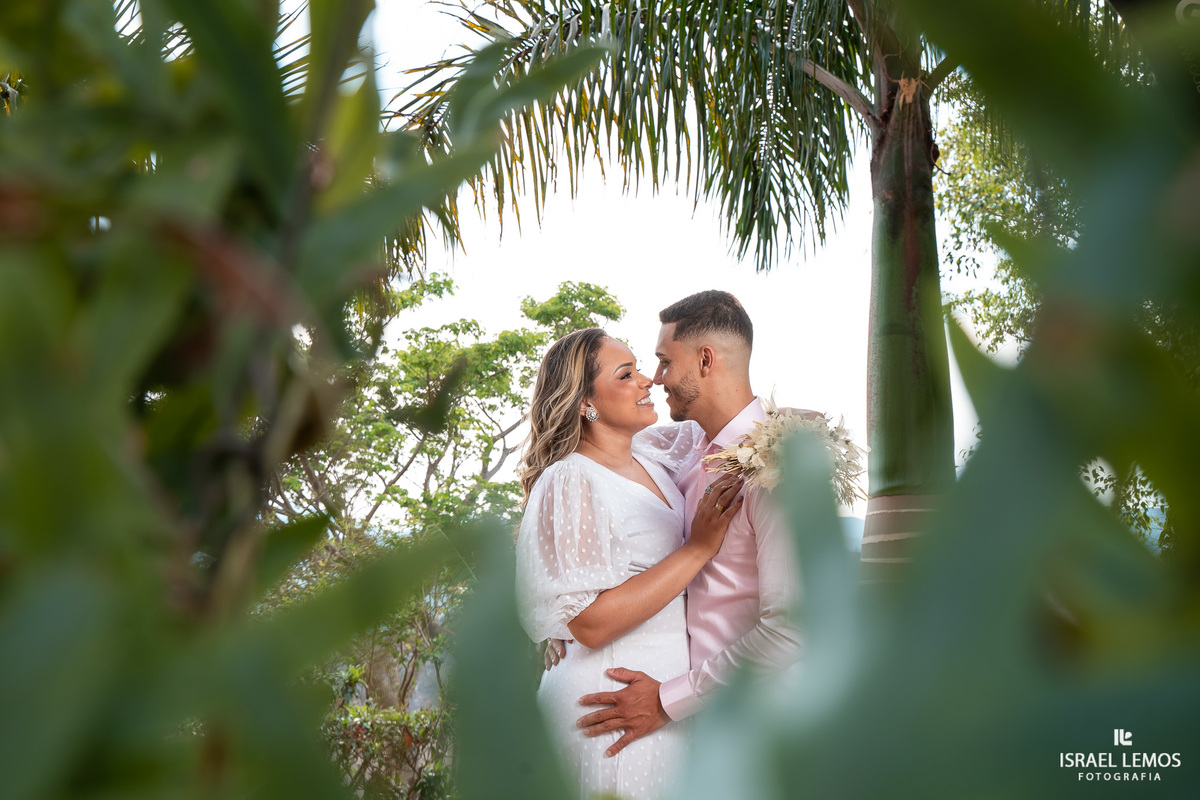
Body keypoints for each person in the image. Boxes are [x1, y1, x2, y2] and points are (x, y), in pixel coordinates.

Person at [549, 290, 804, 758]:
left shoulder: (779, 465)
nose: (655, 378)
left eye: (665, 361)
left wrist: (668, 701)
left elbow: (790, 629)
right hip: (686, 740)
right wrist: (561, 616)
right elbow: (590, 467)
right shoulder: (681, 454)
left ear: (705, 360)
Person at [514, 326, 745, 800]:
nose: (647, 381)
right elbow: (590, 624)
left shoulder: (654, 456)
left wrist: (804, 430)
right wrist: (697, 549)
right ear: (586, 403)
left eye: (641, 368)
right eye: (626, 374)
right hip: (609, 705)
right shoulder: (571, 477)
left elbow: (739, 425)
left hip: (660, 700)